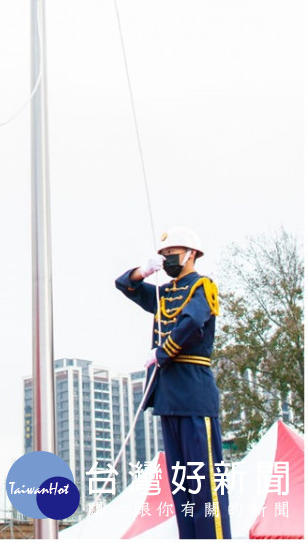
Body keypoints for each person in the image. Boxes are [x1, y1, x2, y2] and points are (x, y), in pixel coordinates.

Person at [116, 228, 231, 540]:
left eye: (173, 253)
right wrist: (144, 271)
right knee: (182, 488)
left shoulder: (203, 287)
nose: (168, 259)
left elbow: (192, 323)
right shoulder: (164, 293)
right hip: (169, 396)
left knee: (205, 483)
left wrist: (162, 353)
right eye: (164, 255)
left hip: (194, 392)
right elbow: (123, 285)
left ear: (191, 253)